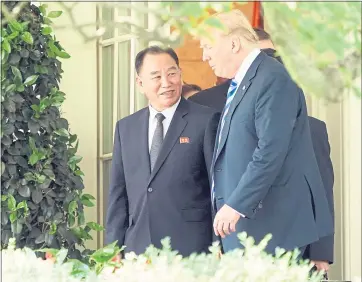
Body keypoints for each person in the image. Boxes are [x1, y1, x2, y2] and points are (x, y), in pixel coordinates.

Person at [190, 27, 335, 273]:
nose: (270, 62)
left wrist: (320, 251)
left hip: (278, 236)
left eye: (271, 55)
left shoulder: (296, 106)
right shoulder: (209, 105)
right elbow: (207, 178)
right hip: (236, 238)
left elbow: (316, 183)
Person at [105, 46, 220, 257]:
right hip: (139, 247)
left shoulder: (205, 120)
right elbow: (118, 193)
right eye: (156, 76)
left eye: (172, 73)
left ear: (181, 74)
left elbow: (218, 186)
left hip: (191, 246)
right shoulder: (126, 127)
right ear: (140, 83)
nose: (166, 83)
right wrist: (113, 248)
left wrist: (218, 243)